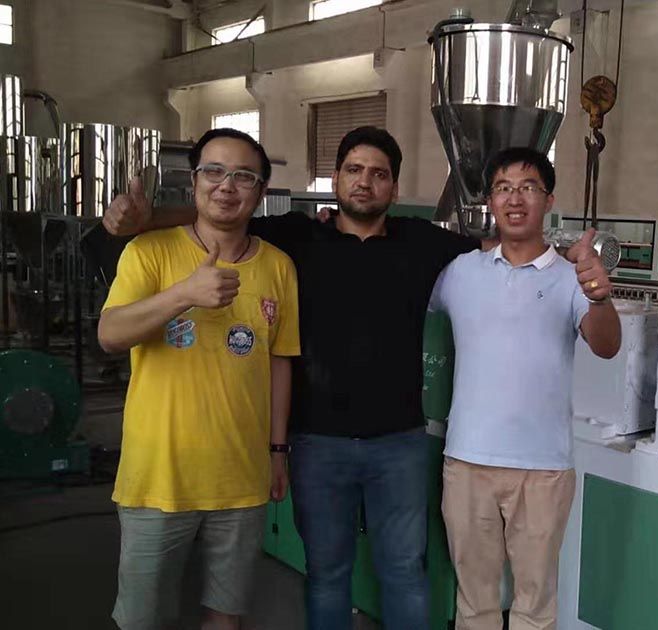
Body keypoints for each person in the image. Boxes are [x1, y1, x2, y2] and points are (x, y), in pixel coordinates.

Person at [102, 126, 482, 630]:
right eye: (353, 170)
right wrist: (146, 220)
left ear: (394, 187)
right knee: (326, 575)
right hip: (316, 444)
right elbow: (221, 213)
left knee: (404, 572)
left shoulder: (419, 241)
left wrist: (566, 260)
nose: (364, 182)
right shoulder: (296, 237)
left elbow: (496, 246)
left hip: (397, 444)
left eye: (378, 174)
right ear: (335, 179)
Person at [98, 128, 300, 630]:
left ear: (260, 192)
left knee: (225, 616)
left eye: (243, 176)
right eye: (213, 171)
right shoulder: (149, 251)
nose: (226, 186)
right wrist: (184, 294)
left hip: (241, 479)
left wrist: (277, 452)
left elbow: (279, 361)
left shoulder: (279, 267)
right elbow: (110, 335)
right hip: (158, 478)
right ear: (193, 182)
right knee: (142, 619)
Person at [429, 147, 621, 630]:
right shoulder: (460, 272)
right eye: (503, 188)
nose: (515, 199)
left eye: (528, 187)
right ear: (490, 201)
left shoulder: (571, 278)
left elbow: (606, 346)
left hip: (543, 469)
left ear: (548, 200)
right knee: (474, 600)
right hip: (468, 463)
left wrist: (600, 298)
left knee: (534, 604)